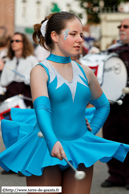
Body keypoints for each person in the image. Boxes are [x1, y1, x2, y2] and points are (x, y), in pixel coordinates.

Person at [0, 12, 129, 194]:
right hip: (45, 148)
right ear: (55, 36)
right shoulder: (40, 70)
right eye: (73, 34)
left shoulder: (86, 72)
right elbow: (42, 108)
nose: (79, 40)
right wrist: (52, 141)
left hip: (79, 149)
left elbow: (103, 105)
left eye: (81, 35)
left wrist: (92, 127)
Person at [101, 18, 129, 190]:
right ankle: (117, 175)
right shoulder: (111, 51)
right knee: (112, 138)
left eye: (126, 26)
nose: (121, 29)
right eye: (120, 26)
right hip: (112, 104)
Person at [0, 32, 38, 108]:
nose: (14, 43)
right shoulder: (9, 61)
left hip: (25, 97)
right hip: (10, 97)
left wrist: (30, 80)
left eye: (17, 41)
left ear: (24, 43)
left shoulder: (32, 60)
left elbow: (38, 81)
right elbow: (3, 83)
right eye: (12, 41)